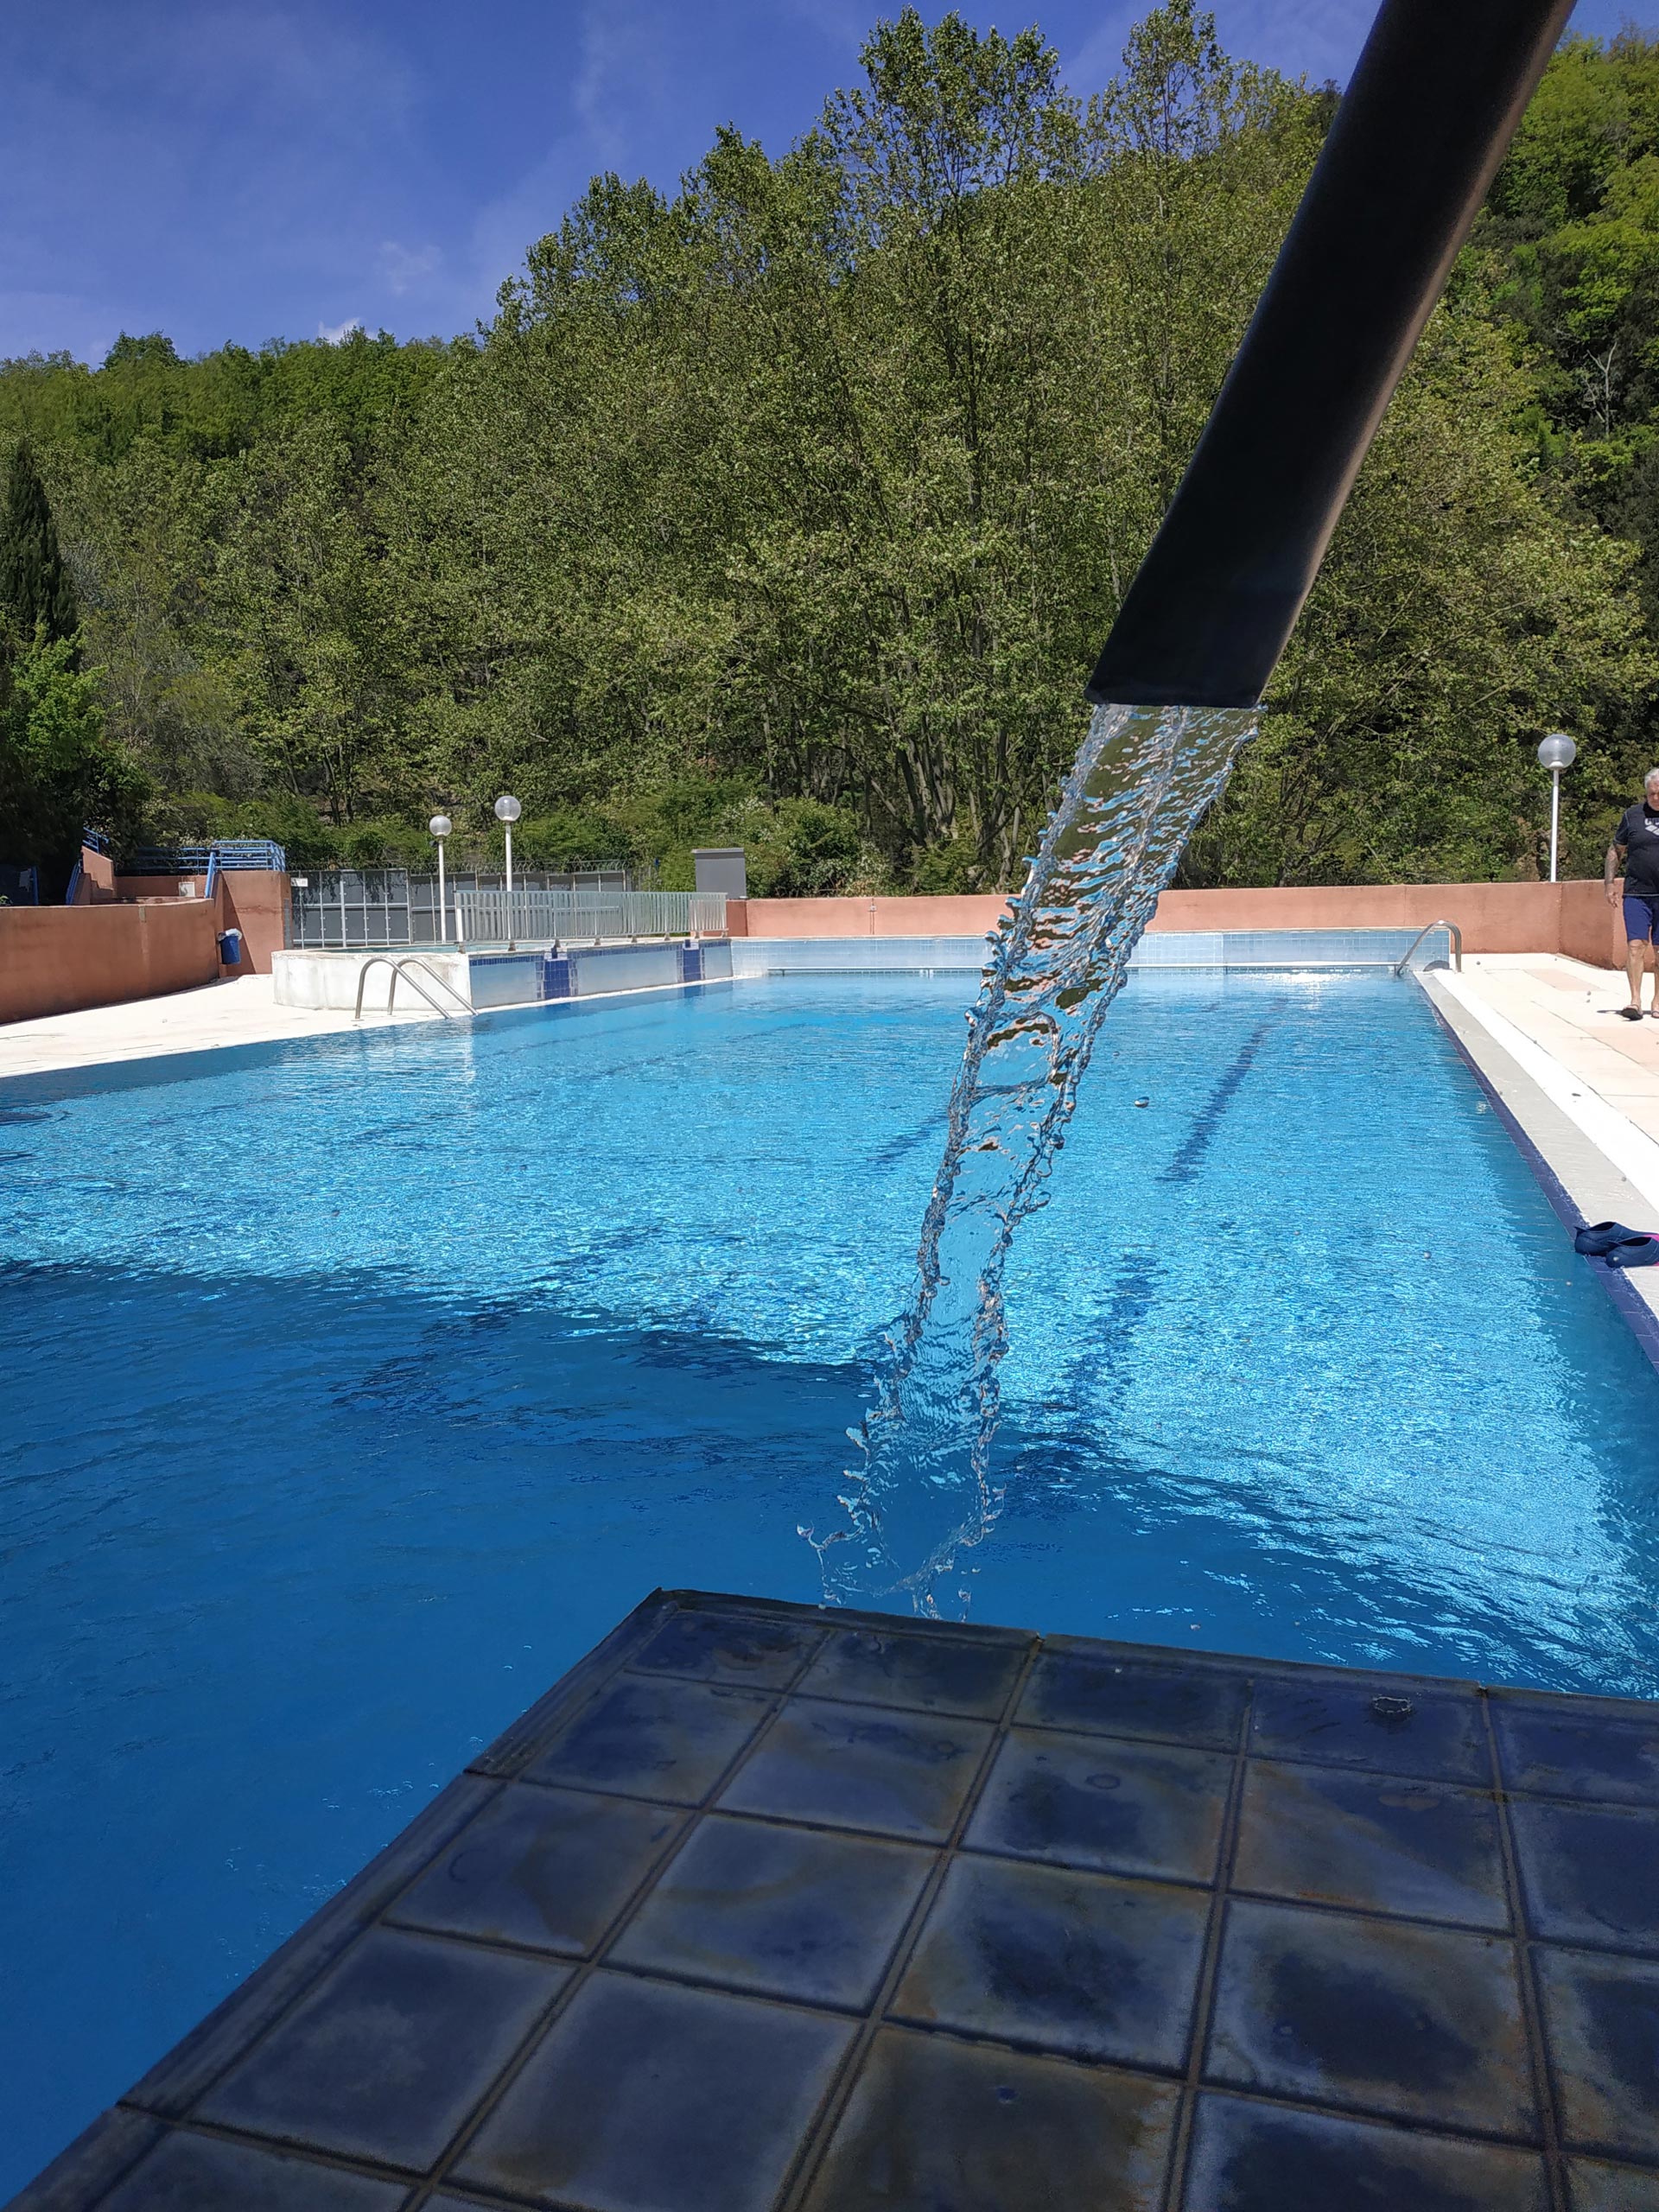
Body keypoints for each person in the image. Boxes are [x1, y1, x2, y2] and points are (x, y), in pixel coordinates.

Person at [1605, 767, 1659, 1018]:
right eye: (1652, 794)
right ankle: (1635, 1001)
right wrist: (1609, 884)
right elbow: (1616, 850)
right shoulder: (1632, 816)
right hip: (1637, 893)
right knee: (1636, 945)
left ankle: (1657, 1001)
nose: (1656, 798)